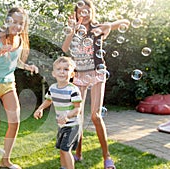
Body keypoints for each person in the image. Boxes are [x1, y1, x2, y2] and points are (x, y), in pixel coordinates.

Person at [61, 1, 130, 169]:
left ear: (92, 12)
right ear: (76, 14)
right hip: (79, 75)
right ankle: (78, 153)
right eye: (80, 12)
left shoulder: (99, 29)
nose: (83, 14)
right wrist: (71, 30)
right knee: (77, 117)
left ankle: (107, 157)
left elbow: (124, 23)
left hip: (97, 73)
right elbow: (64, 48)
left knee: (95, 115)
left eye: (87, 11)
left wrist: (112, 24)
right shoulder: (74, 31)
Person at [0, 7, 38, 169]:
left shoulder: (20, 41)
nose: (18, 26)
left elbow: (15, 62)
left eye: (21, 23)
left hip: (8, 84)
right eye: (14, 22)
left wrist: (27, 67)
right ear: (7, 21)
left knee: (14, 122)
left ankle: (5, 161)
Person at [34, 56, 82, 169]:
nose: (62, 72)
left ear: (72, 74)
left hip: (72, 125)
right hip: (61, 125)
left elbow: (77, 109)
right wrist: (40, 109)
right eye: (59, 69)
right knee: (61, 148)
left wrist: (67, 115)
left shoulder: (73, 90)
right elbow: (48, 100)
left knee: (65, 150)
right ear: (53, 73)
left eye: (66, 69)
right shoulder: (52, 88)